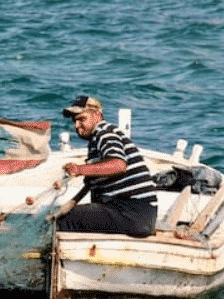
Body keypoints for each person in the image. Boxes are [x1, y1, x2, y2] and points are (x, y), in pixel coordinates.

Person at [54, 95, 158, 237]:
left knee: (63, 221)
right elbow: (93, 181)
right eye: (74, 121)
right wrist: (70, 203)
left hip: (132, 212)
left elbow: (118, 165)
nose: (76, 126)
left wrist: (80, 169)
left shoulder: (104, 132)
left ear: (97, 114)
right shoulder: (97, 141)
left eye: (81, 119)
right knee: (64, 215)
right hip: (135, 214)